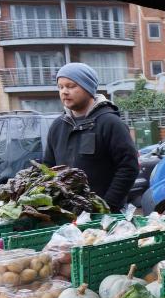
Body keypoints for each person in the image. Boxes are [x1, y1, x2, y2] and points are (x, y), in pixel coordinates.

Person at [42, 63, 139, 212]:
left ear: (88, 88)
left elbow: (128, 167)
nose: (64, 92)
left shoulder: (110, 123)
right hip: (67, 215)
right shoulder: (57, 126)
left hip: (105, 216)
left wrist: (107, 206)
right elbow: (49, 168)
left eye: (71, 86)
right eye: (60, 87)